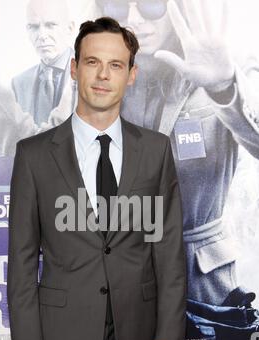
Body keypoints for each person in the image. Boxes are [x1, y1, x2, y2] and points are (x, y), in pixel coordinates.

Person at [7, 16, 187, 340]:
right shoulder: (33, 156)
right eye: (92, 62)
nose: (103, 75)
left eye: (116, 65)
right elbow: (19, 264)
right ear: (74, 68)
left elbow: (170, 255)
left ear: (131, 75)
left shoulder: (156, 151)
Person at [95, 0, 259, 307]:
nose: (132, 19)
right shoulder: (99, 75)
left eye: (150, 6)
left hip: (205, 284)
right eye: (119, 6)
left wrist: (224, 87)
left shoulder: (224, 61)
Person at [0, 0, 77, 155]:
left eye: (51, 25)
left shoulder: (92, 76)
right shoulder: (19, 83)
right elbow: (18, 146)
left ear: (70, 28)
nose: (42, 35)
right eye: (34, 27)